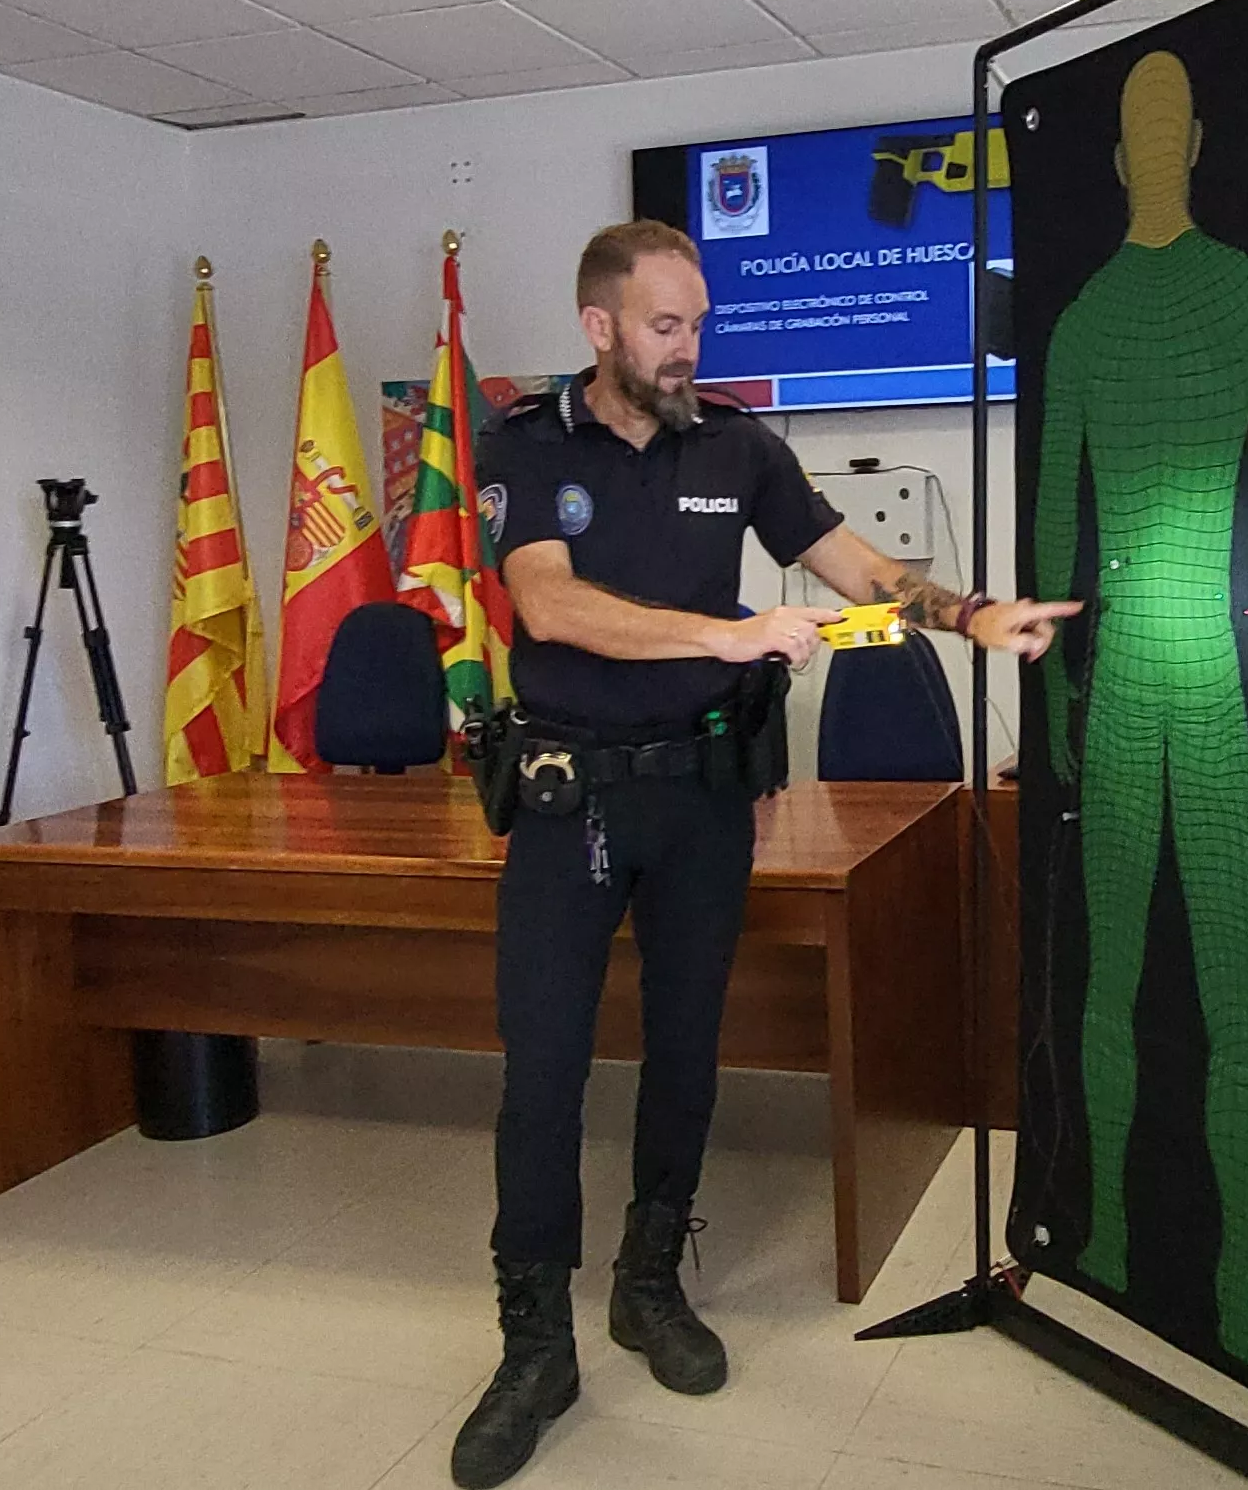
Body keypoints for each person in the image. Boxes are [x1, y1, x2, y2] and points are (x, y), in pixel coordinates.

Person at [450, 220, 1076, 1488]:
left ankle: (647, 1283)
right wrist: (728, 636)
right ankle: (532, 1344)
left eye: (699, 322)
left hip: (701, 802)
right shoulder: (525, 441)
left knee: (687, 1051)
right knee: (545, 1070)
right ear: (601, 328)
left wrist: (971, 613)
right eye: (666, 324)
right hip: (571, 800)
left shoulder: (737, 443)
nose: (690, 345)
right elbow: (550, 603)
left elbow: (860, 567)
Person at [1038, 49, 1248, 1376]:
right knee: (1226, 1014)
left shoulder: (1088, 318)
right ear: (1191, 140)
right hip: (1209, 681)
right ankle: (1235, 1303)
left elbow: (1057, 541)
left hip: (1135, 688)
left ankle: (1106, 1249)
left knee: (1118, 991)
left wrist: (1053, 686)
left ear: (1124, 156)